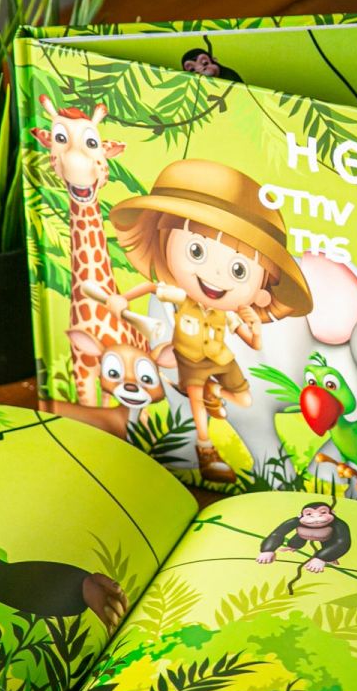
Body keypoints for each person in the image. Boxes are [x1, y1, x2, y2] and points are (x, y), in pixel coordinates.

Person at [106, 160, 312, 484]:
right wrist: (124, 298)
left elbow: (252, 341)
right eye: (196, 251)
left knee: (243, 399)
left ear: (263, 286)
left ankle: (215, 395)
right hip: (190, 360)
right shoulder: (177, 298)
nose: (215, 274)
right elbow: (154, 289)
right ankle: (204, 447)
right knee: (194, 400)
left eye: (239, 270)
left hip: (222, 359)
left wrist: (255, 328)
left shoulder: (227, 315)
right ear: (162, 239)